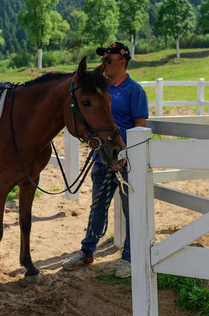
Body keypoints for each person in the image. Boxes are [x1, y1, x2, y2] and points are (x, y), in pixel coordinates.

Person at [62, 41, 148, 278]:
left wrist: (123, 155)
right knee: (97, 207)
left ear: (122, 61)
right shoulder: (101, 89)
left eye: (108, 60)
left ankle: (129, 258)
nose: (104, 64)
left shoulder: (134, 91)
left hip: (125, 162)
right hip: (102, 159)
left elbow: (139, 128)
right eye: (103, 59)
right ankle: (87, 251)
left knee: (131, 211)